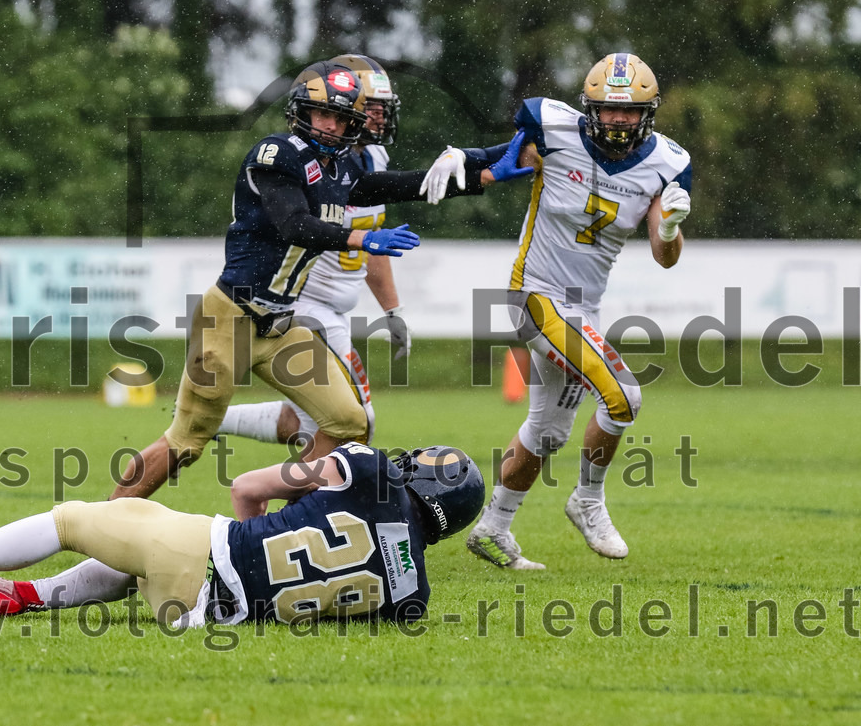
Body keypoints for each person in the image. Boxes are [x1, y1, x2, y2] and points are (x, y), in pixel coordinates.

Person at [110, 58, 530, 501]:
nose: (330, 125)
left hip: (281, 326)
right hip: (232, 316)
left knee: (350, 424)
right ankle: (104, 527)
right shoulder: (277, 153)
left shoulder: (340, 169)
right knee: (187, 442)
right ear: (301, 113)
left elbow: (402, 184)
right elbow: (294, 224)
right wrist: (360, 238)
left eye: (339, 117)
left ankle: (287, 520)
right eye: (321, 114)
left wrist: (481, 169)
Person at [437, 53, 691, 570]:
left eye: (631, 111)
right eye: (608, 109)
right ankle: (588, 500)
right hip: (534, 294)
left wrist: (668, 229)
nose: (619, 119)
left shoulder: (667, 162)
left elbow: (666, 258)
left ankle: (493, 529)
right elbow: (504, 160)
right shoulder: (553, 130)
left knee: (548, 430)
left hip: (582, 308)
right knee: (624, 396)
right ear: (589, 106)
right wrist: (461, 157)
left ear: (649, 112)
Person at [0, 444, 486, 627]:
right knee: (137, 562)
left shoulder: (375, 473)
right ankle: (20, 596)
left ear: (430, 480)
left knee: (69, 520)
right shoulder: (413, 598)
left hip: (201, 555)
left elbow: (252, 484)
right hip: (207, 613)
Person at [216, 53, 408, 449]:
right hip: (307, 304)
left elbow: (373, 239)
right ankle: (303, 507)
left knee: (312, 421)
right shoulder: (318, 162)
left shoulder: (370, 158)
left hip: (333, 307)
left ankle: (216, 420)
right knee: (356, 424)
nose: (377, 117)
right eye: (370, 107)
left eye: (380, 108)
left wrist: (393, 310)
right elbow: (303, 227)